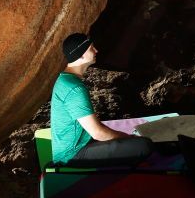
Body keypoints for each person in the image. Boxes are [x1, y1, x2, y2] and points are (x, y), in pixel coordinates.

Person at [51, 33, 153, 167]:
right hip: (71, 155)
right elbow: (97, 133)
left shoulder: (65, 79)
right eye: (91, 48)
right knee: (144, 145)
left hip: (77, 144)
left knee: (120, 136)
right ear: (80, 55)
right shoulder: (74, 89)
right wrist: (128, 138)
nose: (96, 50)